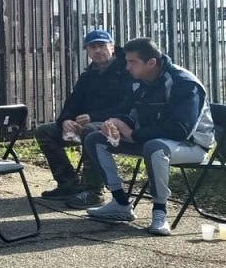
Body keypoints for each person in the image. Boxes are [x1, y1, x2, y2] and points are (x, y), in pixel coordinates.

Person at [83, 38, 214, 236]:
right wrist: (116, 122)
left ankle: (160, 212)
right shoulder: (139, 81)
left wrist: (134, 134)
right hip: (149, 140)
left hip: (191, 145)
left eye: (132, 62)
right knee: (95, 139)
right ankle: (120, 203)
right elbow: (130, 111)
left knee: (155, 147)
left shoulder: (184, 83)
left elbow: (181, 129)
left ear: (151, 62)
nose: (127, 67)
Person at [36, 29, 132, 209]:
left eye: (101, 45)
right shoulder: (89, 74)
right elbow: (73, 102)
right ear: (87, 50)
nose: (97, 50)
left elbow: (128, 106)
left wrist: (94, 117)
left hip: (117, 128)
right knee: (45, 132)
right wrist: (66, 120)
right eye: (92, 47)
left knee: (90, 131)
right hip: (88, 125)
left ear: (112, 47)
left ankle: (93, 191)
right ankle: (68, 183)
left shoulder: (126, 70)